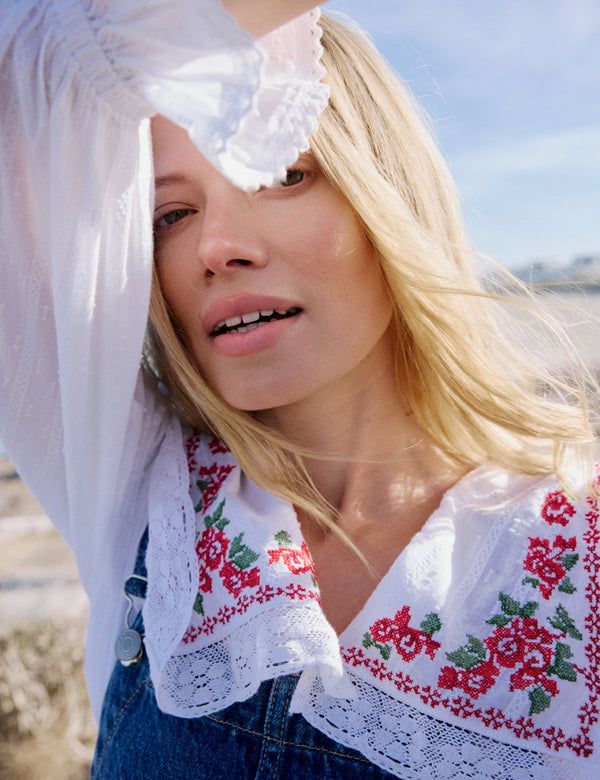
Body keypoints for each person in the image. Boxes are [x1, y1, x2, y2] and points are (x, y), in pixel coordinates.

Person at [1, 5, 599, 780]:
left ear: (385, 193)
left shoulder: (578, 547)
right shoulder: (144, 489)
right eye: (172, 215)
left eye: (281, 174)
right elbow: (31, 69)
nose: (216, 248)